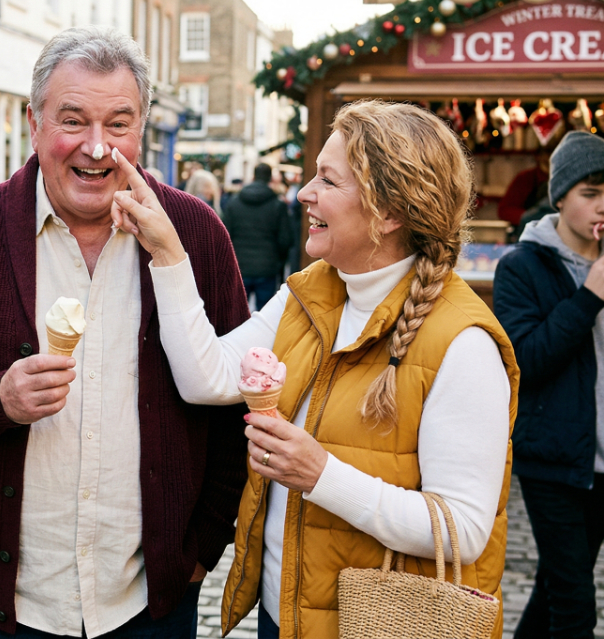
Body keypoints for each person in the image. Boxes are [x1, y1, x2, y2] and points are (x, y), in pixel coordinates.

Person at [0, 27, 251, 638]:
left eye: (119, 123)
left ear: (141, 129)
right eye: (73, 120)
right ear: (33, 122)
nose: (96, 146)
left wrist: (197, 552)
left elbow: (237, 400)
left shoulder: (195, 232)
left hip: (148, 602)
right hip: (9, 606)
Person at [113, 100, 517, 639]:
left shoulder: (463, 343)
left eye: (328, 180)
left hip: (378, 624)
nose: (304, 193)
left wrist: (321, 475)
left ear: (388, 209)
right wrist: (167, 250)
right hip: (284, 616)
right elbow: (205, 377)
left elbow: (462, 531)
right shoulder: (311, 292)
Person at [494, 130, 604, 639]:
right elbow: (527, 360)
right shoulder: (523, 266)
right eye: (591, 193)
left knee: (558, 584)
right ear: (560, 196)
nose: (603, 206)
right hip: (553, 457)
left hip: (600, 459)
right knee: (577, 604)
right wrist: (589, 295)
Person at [222, 163, 294, 308]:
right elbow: (285, 239)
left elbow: (224, 235)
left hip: (239, 266)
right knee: (264, 317)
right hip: (267, 266)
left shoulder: (234, 203)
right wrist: (278, 262)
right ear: (270, 179)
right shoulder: (277, 205)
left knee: (237, 315)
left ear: (253, 177)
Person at [499, 152, 551, 225]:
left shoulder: (566, 180)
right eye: (549, 153)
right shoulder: (526, 178)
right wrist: (532, 217)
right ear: (539, 156)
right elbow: (505, 210)